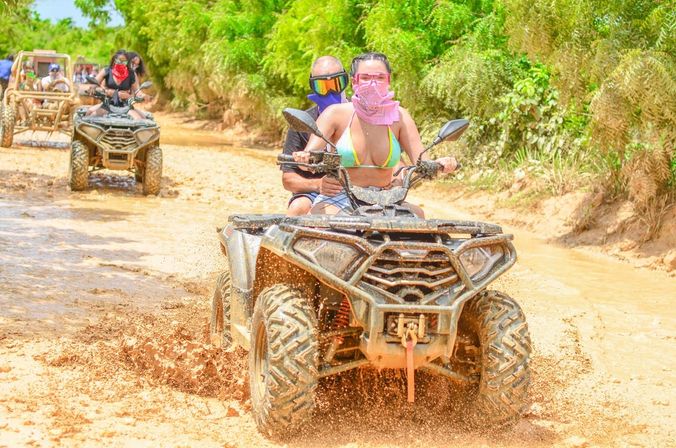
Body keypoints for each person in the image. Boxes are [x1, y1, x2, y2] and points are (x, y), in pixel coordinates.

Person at [293, 52, 458, 216]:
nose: (373, 84)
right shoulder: (334, 113)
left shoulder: (400, 117)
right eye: (365, 78)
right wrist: (304, 158)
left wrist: (441, 163)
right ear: (354, 81)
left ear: (388, 80)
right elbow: (308, 156)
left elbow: (422, 162)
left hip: (387, 200)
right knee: (323, 223)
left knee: (418, 217)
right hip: (340, 197)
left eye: (379, 78)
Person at [281, 55, 349, 216]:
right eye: (322, 86)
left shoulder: (361, 117)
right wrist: (318, 185)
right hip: (316, 192)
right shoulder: (302, 123)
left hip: (359, 187)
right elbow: (288, 179)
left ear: (346, 82)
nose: (330, 91)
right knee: (298, 207)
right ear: (313, 87)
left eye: (336, 83)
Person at [88, 49, 147, 120]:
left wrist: (142, 95)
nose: (121, 63)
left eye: (124, 61)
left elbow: (137, 90)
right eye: (118, 61)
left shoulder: (132, 74)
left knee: (140, 120)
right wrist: (93, 88)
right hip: (107, 104)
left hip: (126, 106)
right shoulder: (106, 71)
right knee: (90, 116)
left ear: (127, 62)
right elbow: (94, 83)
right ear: (114, 60)